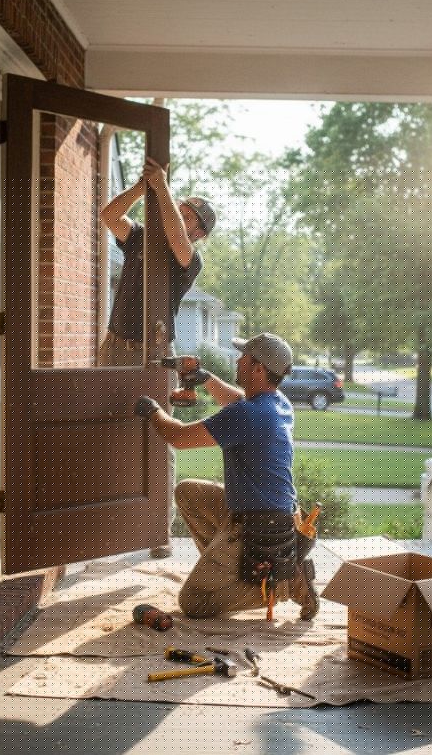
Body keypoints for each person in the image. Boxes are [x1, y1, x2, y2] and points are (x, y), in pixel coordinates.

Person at [134, 333, 319, 620]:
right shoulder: (277, 403)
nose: (237, 360)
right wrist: (206, 379)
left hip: (258, 526)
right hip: (275, 514)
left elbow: (178, 437)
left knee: (194, 601)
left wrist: (152, 411)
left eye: (244, 356)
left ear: (258, 369)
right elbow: (235, 398)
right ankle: (231, 570)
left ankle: (286, 584)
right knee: (187, 492)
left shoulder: (246, 415)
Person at [99, 157, 216, 366]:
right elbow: (110, 216)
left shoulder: (191, 260)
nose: (178, 217)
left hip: (154, 352)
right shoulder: (140, 236)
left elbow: (177, 238)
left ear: (198, 234)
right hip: (114, 347)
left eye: (187, 218)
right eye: (179, 211)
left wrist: (161, 187)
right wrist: (141, 187)